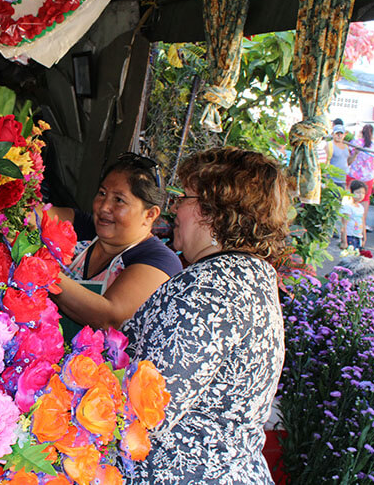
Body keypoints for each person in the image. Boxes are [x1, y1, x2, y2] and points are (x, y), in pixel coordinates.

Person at [120, 147, 292, 484]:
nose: (175, 208)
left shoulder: (210, 287)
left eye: (184, 197)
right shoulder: (252, 275)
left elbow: (148, 409)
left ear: (212, 212)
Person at [43, 153, 182, 338]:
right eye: (102, 194)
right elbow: (33, 215)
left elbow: (109, 317)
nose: (104, 207)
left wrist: (42, 272)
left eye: (119, 200)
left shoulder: (159, 260)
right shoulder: (85, 228)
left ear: (150, 214)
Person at [347, 124, 374, 241]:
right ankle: (360, 228)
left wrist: (356, 154)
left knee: (349, 200)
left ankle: (347, 226)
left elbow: (349, 161)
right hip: (366, 176)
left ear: (362, 132)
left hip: (354, 175)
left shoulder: (355, 142)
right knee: (365, 200)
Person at [339, 180, 367, 250]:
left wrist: (364, 237)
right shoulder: (348, 207)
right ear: (351, 192)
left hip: (358, 236)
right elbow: (344, 225)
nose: (361, 195)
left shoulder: (361, 207)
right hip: (349, 236)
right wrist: (344, 241)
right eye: (358, 192)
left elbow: (363, 222)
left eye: (363, 193)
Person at [328, 123, 349, 187]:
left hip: (343, 180)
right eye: (337, 133)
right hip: (332, 180)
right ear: (333, 134)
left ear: (344, 135)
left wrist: (355, 154)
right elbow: (326, 162)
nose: (339, 136)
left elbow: (348, 162)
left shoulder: (346, 147)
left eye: (341, 133)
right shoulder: (329, 145)